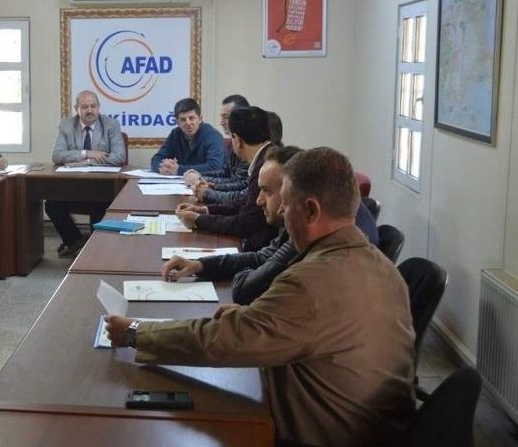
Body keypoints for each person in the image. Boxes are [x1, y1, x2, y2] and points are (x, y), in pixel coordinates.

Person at [106, 147, 416, 446]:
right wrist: (252, 321)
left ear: (310, 210)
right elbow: (296, 329)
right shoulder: (383, 268)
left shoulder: (311, 283)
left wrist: (136, 332)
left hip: (325, 435)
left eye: (286, 204)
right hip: (370, 425)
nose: (280, 210)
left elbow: (224, 340)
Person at [164, 145, 379, 306]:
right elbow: (262, 258)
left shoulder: (313, 228)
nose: (258, 201)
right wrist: (200, 265)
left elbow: (245, 289)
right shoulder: (324, 216)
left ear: (291, 190)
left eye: (267, 191)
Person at [176, 106, 277, 251]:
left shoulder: (266, 166)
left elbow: (245, 223)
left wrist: (199, 220)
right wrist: (205, 210)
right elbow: (245, 202)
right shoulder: (266, 156)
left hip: (260, 250)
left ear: (237, 140)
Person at [47, 90, 126, 257]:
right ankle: (74, 240)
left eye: (93, 106)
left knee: (100, 202)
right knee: (52, 204)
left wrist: (86, 162)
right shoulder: (66, 125)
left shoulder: (110, 124)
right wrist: (86, 153)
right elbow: (57, 155)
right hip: (72, 186)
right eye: (84, 107)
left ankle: (94, 249)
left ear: (98, 107)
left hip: (100, 186)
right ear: (77, 108)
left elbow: (119, 157)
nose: (89, 110)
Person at [185, 95, 252, 205]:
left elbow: (241, 183)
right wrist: (200, 177)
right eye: (221, 117)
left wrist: (204, 183)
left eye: (226, 117)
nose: (221, 122)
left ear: (241, 117)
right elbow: (225, 172)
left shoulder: (248, 144)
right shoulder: (232, 141)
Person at [150, 98, 224, 175]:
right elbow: (156, 159)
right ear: (177, 122)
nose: (188, 123)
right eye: (183, 119)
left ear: (200, 119)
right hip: (181, 183)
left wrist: (179, 170)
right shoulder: (175, 134)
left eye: (191, 118)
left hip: (208, 183)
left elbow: (215, 166)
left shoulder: (212, 135)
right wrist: (163, 167)